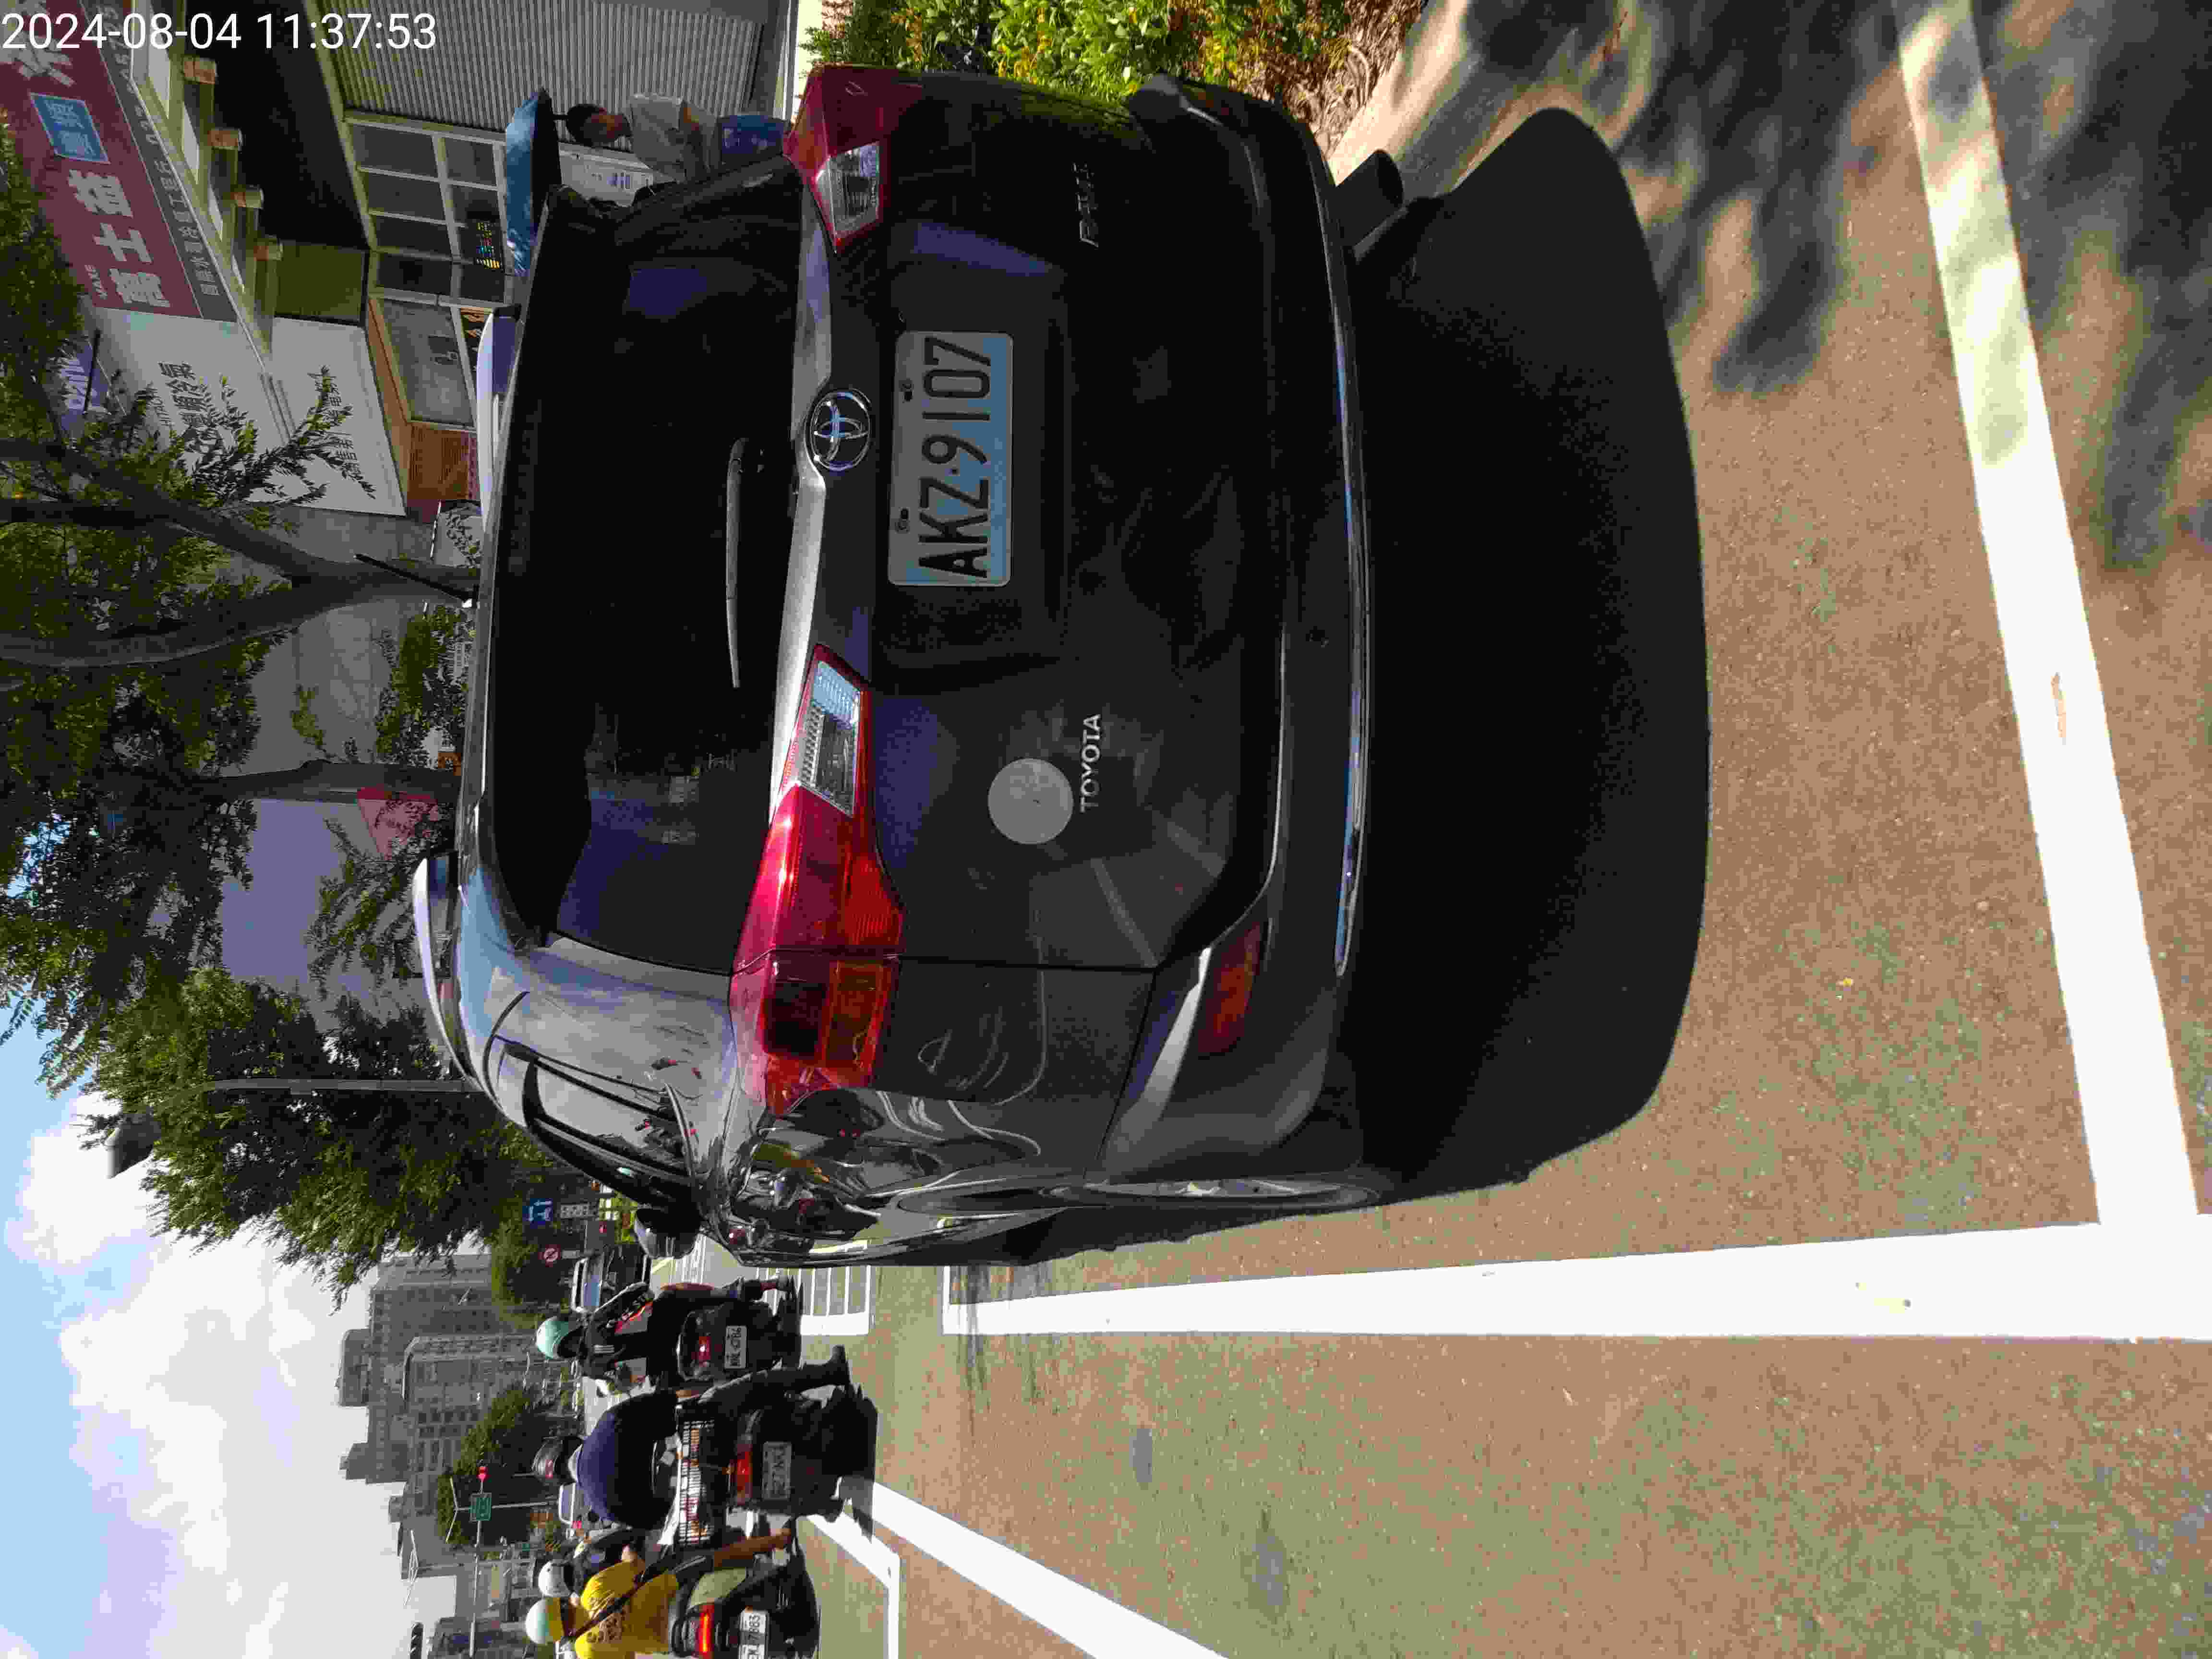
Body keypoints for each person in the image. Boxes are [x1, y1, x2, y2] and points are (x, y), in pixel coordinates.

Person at [533, 1346, 854, 1530]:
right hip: (707, 1433)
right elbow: (667, 1402)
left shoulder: (603, 1508)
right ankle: (829, 1372)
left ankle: (821, 1507)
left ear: (567, 1481)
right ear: (571, 1442)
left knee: (742, 1500)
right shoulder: (608, 1423)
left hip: (701, 1489)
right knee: (755, 1385)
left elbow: (658, 1519)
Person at [524, 1525, 794, 1659]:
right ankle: (777, 1540)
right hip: (675, 1588)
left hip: (673, 1641)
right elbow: (636, 1567)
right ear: (558, 1604)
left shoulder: (586, 1651)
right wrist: (629, 1556)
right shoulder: (593, 1588)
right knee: (718, 1556)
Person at [536, 1277, 800, 1391]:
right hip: (674, 1323)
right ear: (566, 1327)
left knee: (691, 1392)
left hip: (672, 1367)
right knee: (674, 1292)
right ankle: (765, 1286)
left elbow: (629, 1383)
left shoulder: (592, 1371)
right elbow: (641, 1290)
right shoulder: (596, 1322)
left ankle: (758, 1377)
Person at [565, 98, 709, 185]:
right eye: (597, 138)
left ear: (602, 111)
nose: (603, 134)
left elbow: (694, 120)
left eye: (597, 126)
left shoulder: (640, 105)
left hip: (716, 141)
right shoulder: (641, 152)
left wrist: (695, 167)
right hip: (712, 177)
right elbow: (682, 176)